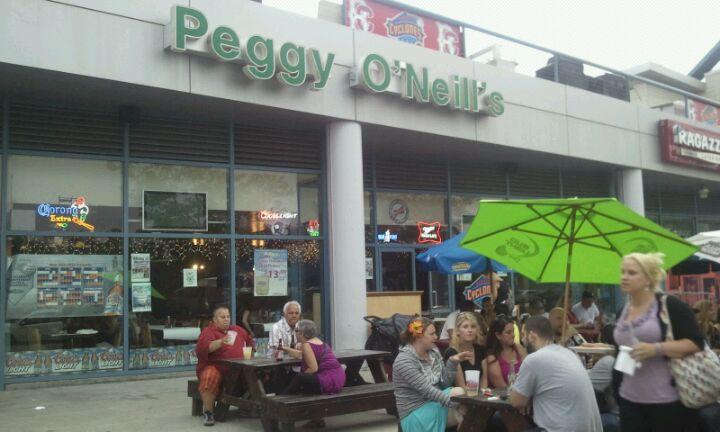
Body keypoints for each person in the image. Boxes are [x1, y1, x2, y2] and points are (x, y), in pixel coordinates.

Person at [613, 252, 704, 432]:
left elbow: (696, 343)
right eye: (622, 272)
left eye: (632, 273)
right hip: (629, 400)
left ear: (649, 278)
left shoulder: (670, 306)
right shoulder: (622, 311)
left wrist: (656, 349)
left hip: (666, 402)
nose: (624, 277)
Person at [510, 316, 603, 432]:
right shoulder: (569, 353)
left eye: (524, 335)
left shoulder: (534, 359)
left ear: (532, 336)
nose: (522, 340)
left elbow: (516, 401)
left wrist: (526, 398)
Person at [393, 317, 469, 432]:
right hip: (415, 412)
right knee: (465, 409)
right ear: (418, 336)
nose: (436, 337)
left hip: (435, 402)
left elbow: (444, 384)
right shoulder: (404, 360)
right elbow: (428, 391)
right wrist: (459, 404)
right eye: (432, 334)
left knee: (461, 398)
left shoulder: (434, 352)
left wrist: (452, 362)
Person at [195, 305, 255, 427]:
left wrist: (251, 353)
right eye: (223, 317)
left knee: (259, 374)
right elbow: (203, 349)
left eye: (228, 316)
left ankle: (250, 407)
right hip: (217, 367)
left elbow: (250, 342)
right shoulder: (208, 331)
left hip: (239, 367)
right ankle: (208, 412)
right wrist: (221, 342)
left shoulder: (237, 329)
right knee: (209, 376)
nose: (226, 319)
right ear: (215, 319)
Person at [481, 316, 525, 389]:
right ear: (498, 335)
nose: (513, 335)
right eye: (508, 332)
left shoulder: (518, 348)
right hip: (503, 394)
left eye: (513, 331)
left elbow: (529, 371)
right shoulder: (491, 356)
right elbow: (501, 386)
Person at [444, 312, 486, 388]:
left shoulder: (480, 349)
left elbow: (484, 380)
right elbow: (461, 385)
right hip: (460, 393)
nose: (470, 330)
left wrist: (484, 393)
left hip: (480, 393)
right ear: (457, 331)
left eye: (473, 327)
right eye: (465, 327)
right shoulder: (452, 352)